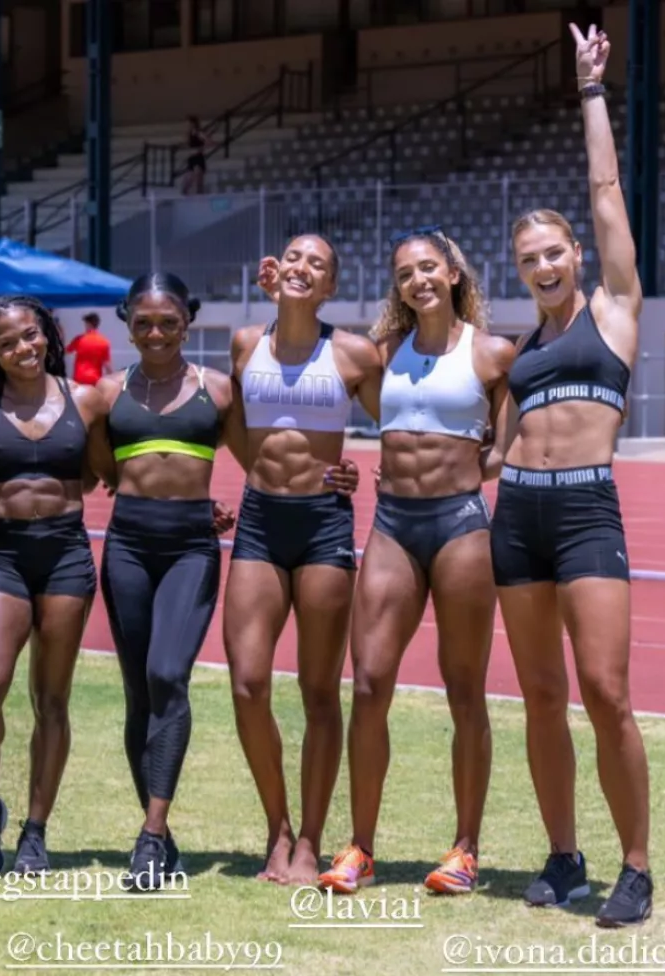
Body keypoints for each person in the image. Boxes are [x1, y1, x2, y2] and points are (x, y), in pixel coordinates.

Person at [485, 24, 652, 927]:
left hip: (588, 511)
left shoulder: (616, 312)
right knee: (541, 696)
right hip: (518, 516)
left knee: (607, 692)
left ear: (578, 258)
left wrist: (592, 91)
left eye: (554, 253)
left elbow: (604, 191)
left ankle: (636, 866)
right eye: (530, 260)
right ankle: (564, 856)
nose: (544, 266)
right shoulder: (521, 349)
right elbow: (497, 443)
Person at [318, 228, 514, 897]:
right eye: (404, 273)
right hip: (392, 526)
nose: (417, 281)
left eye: (428, 267)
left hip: (460, 526)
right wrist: (339, 471)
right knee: (370, 684)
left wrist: (462, 475)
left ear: (454, 271)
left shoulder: (492, 355)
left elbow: (501, 451)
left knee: (465, 692)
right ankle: (360, 848)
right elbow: (326, 393)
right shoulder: (382, 353)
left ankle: (465, 848)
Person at [228, 233, 381, 885]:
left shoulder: (352, 352)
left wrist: (358, 473)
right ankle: (277, 827)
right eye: (294, 257)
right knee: (248, 683)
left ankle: (310, 839)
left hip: (323, 525)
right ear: (276, 271)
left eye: (317, 264)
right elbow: (232, 426)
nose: (303, 267)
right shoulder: (243, 343)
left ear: (329, 287)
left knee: (319, 691)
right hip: (260, 521)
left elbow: (405, 423)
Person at [93, 272, 241, 887]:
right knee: (137, 695)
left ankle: (150, 835)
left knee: (166, 676)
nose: (156, 333)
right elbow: (94, 471)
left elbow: (264, 464)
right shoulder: (105, 394)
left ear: (189, 321)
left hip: (189, 548)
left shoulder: (219, 391)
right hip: (126, 546)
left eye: (170, 322)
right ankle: (161, 839)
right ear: (128, 321)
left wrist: (332, 477)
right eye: (144, 323)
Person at [0, 296, 109, 875]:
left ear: (47, 334)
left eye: (30, 336)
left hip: (67, 554)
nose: (24, 348)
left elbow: (110, 472)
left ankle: (36, 831)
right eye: (8, 343)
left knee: (52, 699)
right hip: (4, 556)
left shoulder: (86, 400)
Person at [66, 312, 112, 386]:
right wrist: (112, 379)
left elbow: (65, 351)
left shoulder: (79, 339)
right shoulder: (104, 341)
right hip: (95, 379)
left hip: (79, 379)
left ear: (88, 324)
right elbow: (107, 365)